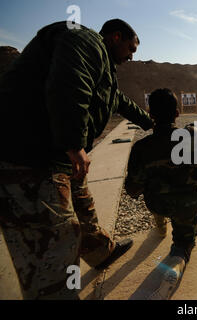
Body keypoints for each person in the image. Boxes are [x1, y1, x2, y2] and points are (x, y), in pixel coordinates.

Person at [0, 19, 153, 299]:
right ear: (116, 36)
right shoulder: (84, 41)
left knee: (84, 206)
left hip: (58, 156)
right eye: (130, 48)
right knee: (55, 238)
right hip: (29, 158)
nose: (132, 56)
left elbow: (118, 100)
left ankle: (99, 252)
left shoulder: (103, 67)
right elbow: (69, 83)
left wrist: (150, 121)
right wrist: (73, 143)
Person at [124, 88, 197, 299]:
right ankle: (172, 273)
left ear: (150, 114)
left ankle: (160, 225)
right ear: (177, 113)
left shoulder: (141, 148)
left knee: (155, 188)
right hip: (188, 204)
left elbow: (132, 188)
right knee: (182, 246)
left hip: (158, 203)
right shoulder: (191, 137)